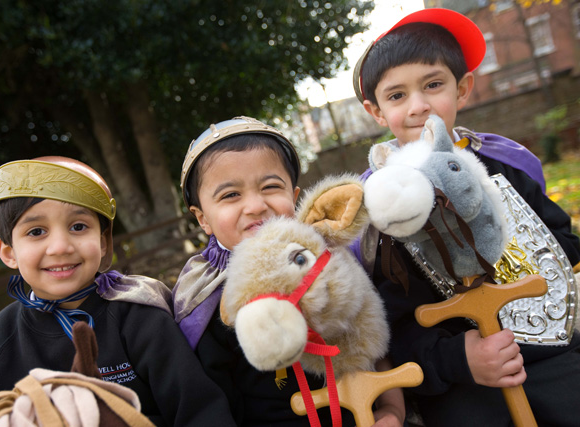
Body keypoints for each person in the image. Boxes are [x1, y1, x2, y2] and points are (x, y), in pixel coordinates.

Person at [352, 7, 580, 426]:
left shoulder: (505, 168)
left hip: (554, 354)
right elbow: (395, 324)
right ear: (377, 112)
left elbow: (562, 247)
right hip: (467, 382)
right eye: (397, 95)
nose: (419, 106)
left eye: (433, 84)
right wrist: (462, 359)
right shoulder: (385, 210)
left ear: (463, 88)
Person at [0, 156, 236, 426]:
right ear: (8, 252)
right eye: (36, 232)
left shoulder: (142, 318)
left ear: (104, 242)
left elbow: (201, 412)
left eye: (79, 226)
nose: (60, 247)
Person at [173, 116, 405, 426]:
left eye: (270, 187)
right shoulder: (206, 297)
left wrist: (392, 410)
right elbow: (211, 399)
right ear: (202, 218)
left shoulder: (325, 263)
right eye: (230, 195)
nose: (256, 205)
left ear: (295, 197)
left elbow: (371, 338)